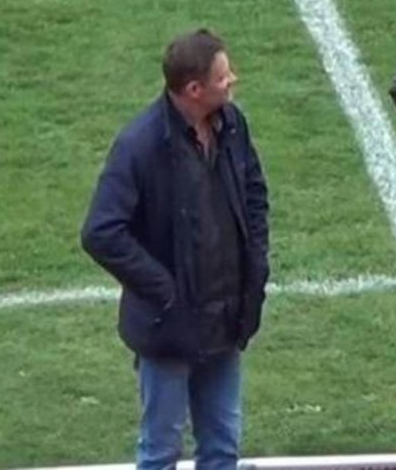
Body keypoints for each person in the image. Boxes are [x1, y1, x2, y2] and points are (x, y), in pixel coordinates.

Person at [81, 28, 270, 470]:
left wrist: (255, 265)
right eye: (224, 77)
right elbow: (101, 231)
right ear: (194, 89)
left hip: (224, 320)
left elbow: (255, 193)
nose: (233, 81)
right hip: (170, 327)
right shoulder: (140, 146)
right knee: (161, 451)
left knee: (223, 449)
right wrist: (164, 289)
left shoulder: (232, 125)